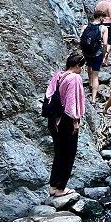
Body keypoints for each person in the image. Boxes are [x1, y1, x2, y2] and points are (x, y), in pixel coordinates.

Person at [45, 52, 86, 197]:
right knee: (69, 153)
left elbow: (49, 94)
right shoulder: (74, 78)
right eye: (81, 66)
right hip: (66, 120)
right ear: (76, 65)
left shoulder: (58, 75)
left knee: (59, 153)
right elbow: (71, 103)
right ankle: (61, 188)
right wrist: (75, 121)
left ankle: (53, 186)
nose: (82, 69)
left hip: (54, 119)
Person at [80, 11, 109, 103]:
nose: (104, 20)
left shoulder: (85, 26)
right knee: (96, 75)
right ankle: (93, 98)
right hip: (97, 53)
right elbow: (105, 43)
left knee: (89, 66)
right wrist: (105, 54)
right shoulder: (104, 28)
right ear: (100, 17)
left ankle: (90, 83)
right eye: (103, 18)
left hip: (87, 52)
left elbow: (81, 39)